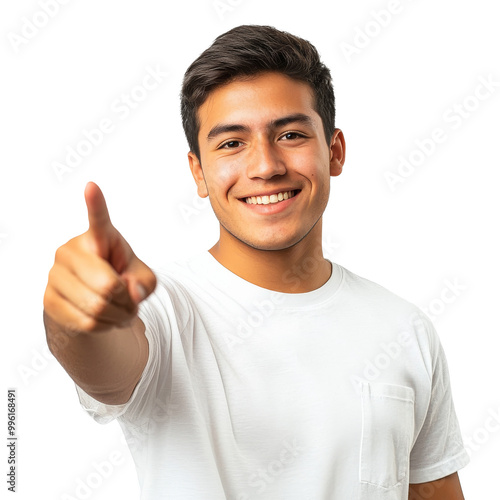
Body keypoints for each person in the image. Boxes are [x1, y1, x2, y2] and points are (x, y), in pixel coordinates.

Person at [43, 25, 470, 499]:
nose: (265, 166)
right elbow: (105, 367)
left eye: (289, 134)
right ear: (198, 173)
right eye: (231, 143)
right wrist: (78, 319)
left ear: (334, 151)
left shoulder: (405, 328)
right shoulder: (163, 311)